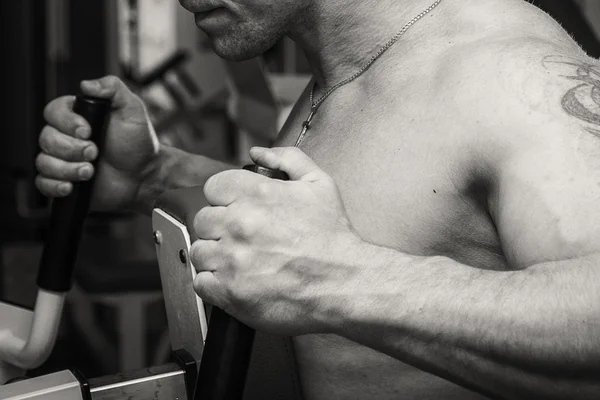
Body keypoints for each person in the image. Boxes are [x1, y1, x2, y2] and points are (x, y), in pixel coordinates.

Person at [36, 0, 600, 398]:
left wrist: (334, 281)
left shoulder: (507, 73)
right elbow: (389, 216)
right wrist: (159, 177)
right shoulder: (351, 69)